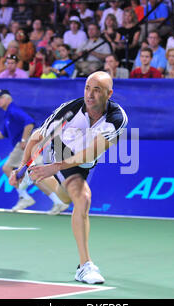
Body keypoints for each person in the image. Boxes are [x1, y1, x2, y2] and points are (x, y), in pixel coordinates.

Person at [10, 71, 128, 284]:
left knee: (65, 199)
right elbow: (37, 136)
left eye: (97, 90)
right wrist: (21, 167)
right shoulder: (69, 111)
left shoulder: (116, 119)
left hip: (82, 162)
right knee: (82, 198)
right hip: (60, 151)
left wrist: (51, 169)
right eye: (87, 88)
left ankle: (37, 174)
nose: (89, 94)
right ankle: (85, 266)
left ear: (109, 94)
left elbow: (91, 154)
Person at [0, 89, 69, 214]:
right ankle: (58, 203)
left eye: (0, 97)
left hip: (24, 144)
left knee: (7, 168)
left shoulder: (13, 110)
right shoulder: (8, 114)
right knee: (35, 175)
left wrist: (24, 140)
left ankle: (24, 197)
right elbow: (3, 133)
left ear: (8, 99)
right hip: (26, 144)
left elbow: (29, 123)